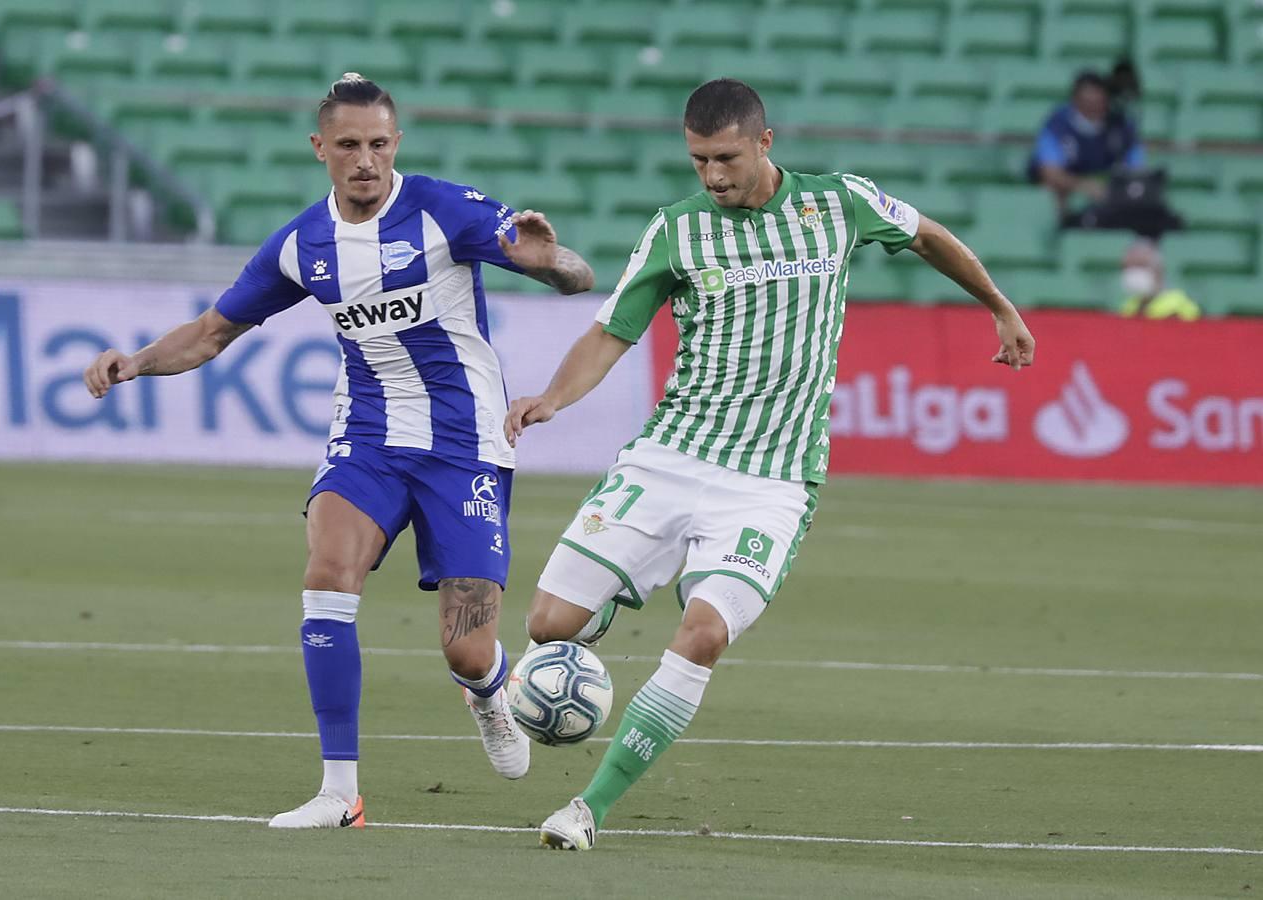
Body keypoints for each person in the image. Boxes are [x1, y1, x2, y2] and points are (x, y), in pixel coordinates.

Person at [504, 78, 1036, 851]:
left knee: (702, 635)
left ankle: (587, 811)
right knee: (549, 626)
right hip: (670, 456)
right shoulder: (676, 230)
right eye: (697, 161)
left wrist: (999, 304)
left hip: (772, 483)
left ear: (765, 143)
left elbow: (926, 236)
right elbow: (613, 328)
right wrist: (555, 397)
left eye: (725, 158)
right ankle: (611, 604)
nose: (713, 176)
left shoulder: (838, 204)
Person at [81, 74, 594, 829]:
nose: (365, 159)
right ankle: (339, 792)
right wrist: (135, 362)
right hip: (369, 439)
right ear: (320, 148)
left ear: (396, 145)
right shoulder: (302, 244)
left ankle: (488, 690)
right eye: (348, 145)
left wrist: (552, 265)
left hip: (465, 444)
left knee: (466, 648)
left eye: (379, 144)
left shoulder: (445, 210)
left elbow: (577, 275)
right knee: (327, 575)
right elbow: (211, 332)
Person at [1028, 70, 1145, 213]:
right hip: (1069, 196)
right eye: (1087, 101)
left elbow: (1136, 171)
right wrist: (1083, 186)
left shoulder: (1121, 127)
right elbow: (1049, 173)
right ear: (1075, 100)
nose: (1093, 106)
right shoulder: (1058, 125)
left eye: (1098, 100)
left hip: (1112, 198)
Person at [1118, 239, 1200, 320]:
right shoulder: (1128, 307)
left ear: (1159, 270)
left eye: (1141, 265)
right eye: (1128, 267)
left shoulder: (1179, 306)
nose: (1134, 273)